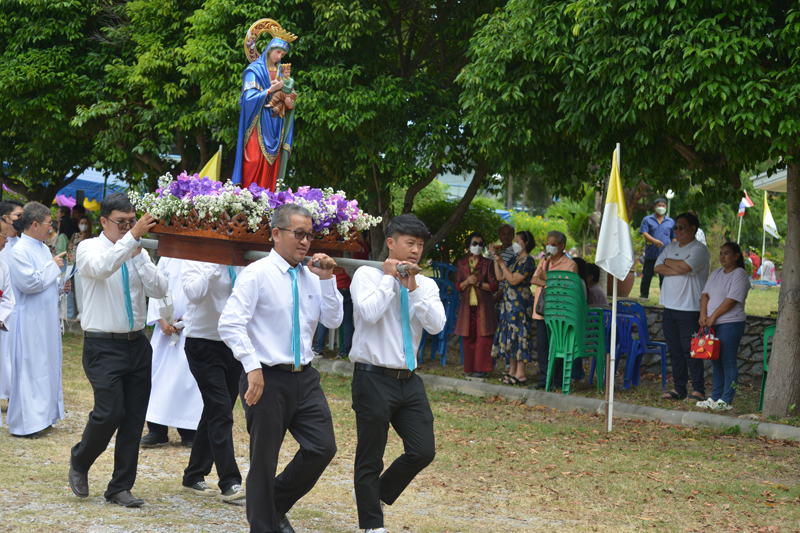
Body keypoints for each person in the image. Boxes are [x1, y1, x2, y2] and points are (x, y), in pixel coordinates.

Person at [218, 203, 342, 533]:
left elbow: (333, 320)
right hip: (266, 378)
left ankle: (273, 505)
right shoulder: (257, 274)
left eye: (309, 235)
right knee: (264, 459)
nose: (305, 241)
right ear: (276, 233)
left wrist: (328, 281)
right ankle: (263, 526)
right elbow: (230, 323)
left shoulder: (313, 277)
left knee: (323, 447)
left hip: (305, 377)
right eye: (298, 234)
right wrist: (252, 367)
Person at [69, 193, 167, 507]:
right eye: (121, 222)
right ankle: (80, 460)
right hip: (102, 345)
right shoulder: (88, 248)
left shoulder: (136, 250)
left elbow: (160, 289)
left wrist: (138, 255)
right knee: (109, 412)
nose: (127, 227)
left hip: (137, 344)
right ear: (103, 221)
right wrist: (131, 239)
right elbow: (101, 268)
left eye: (131, 222)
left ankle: (120, 487)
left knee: (134, 419)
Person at [349, 214, 446, 533]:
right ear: (391, 243)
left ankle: (374, 494)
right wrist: (390, 280)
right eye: (410, 243)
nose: (416, 250)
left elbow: (437, 326)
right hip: (372, 377)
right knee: (371, 455)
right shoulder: (367, 275)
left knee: (423, 450)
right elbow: (368, 313)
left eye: (420, 244)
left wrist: (413, 288)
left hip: (409, 381)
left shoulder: (426, 284)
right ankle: (372, 525)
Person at [181, 259, 246, 502]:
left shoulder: (244, 259)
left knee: (215, 411)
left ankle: (193, 474)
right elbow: (195, 294)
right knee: (220, 410)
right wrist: (215, 263)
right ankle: (230, 481)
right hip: (203, 343)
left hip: (234, 344)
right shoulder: (196, 257)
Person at [6, 202, 68, 438]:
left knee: (47, 365)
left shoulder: (42, 248)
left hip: (46, 318)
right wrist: (53, 268)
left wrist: (62, 285)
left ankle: (44, 416)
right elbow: (29, 283)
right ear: (34, 224)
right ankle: (27, 424)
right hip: (29, 320)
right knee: (30, 369)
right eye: (48, 224)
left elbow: (47, 280)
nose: (51, 228)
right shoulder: (19, 250)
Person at [141, 257, 201, 449]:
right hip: (165, 329)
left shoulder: (203, 256)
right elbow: (158, 288)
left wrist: (185, 320)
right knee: (159, 375)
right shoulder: (168, 257)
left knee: (188, 377)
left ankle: (189, 429)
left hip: (192, 327)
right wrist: (163, 320)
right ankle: (157, 429)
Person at [232, 27, 297, 190]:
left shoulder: (283, 75)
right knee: (253, 159)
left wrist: (289, 102)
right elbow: (248, 98)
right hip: (257, 121)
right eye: (278, 52)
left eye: (282, 54)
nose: (279, 56)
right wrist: (270, 90)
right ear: (269, 49)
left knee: (272, 164)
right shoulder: (254, 70)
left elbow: (289, 99)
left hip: (275, 123)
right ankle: (248, 197)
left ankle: (268, 200)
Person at [655, 212, 710, 402]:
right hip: (669, 307)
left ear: (693, 229)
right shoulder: (670, 247)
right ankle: (679, 388)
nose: (677, 230)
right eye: (675, 227)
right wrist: (678, 266)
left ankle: (698, 390)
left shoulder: (700, 249)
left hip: (690, 308)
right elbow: (657, 267)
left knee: (691, 351)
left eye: (682, 227)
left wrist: (670, 262)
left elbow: (686, 268)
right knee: (675, 350)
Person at [697, 243, 751, 411]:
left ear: (736, 256)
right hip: (712, 325)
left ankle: (726, 400)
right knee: (715, 361)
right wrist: (703, 315)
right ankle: (715, 398)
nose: (722, 256)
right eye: (721, 253)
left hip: (731, 323)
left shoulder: (740, 274)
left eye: (726, 253)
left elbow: (732, 300)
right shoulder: (716, 273)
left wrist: (713, 316)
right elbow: (705, 295)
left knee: (728, 361)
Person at [531, 231, 579, 390]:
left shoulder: (570, 265)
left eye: (552, 244)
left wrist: (546, 278)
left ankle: (557, 381)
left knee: (558, 347)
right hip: (542, 311)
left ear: (561, 246)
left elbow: (567, 286)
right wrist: (551, 281)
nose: (548, 247)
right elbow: (533, 279)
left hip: (559, 312)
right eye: (547, 243)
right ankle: (544, 379)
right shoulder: (544, 261)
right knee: (542, 346)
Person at [490, 230, 536, 386]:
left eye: (517, 241)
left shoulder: (528, 261)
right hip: (509, 305)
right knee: (510, 335)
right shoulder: (516, 260)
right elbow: (500, 277)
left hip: (520, 305)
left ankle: (521, 374)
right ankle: (512, 372)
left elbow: (513, 280)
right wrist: (497, 260)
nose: (514, 244)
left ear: (525, 243)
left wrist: (502, 263)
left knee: (520, 335)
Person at [455, 232, 498, 378]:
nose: (477, 246)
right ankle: (470, 368)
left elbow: (494, 286)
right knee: (468, 337)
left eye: (480, 244)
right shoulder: (461, 263)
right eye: (474, 243)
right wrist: (467, 282)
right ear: (469, 246)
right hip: (467, 306)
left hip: (484, 306)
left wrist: (479, 284)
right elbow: (458, 285)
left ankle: (481, 369)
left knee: (484, 337)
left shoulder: (488, 263)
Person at [0, 199, 24, 402]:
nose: (22, 220)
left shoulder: (23, 244)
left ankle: (12, 396)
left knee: (14, 357)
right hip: (6, 313)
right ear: (5, 218)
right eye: (18, 216)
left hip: (15, 310)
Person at [639, 198, 676, 299]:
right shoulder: (647, 220)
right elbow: (644, 233)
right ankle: (643, 296)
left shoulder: (671, 222)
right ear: (654, 207)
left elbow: (673, 237)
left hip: (665, 255)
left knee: (664, 278)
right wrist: (654, 241)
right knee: (647, 276)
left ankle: (665, 298)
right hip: (651, 253)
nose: (661, 207)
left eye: (663, 206)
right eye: (659, 205)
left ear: (666, 207)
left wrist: (675, 251)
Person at [0, 229, 16, 428]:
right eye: (3, 236)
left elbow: (8, 298)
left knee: (4, 362)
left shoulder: (3, 266)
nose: (6, 240)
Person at [68, 215, 94, 321]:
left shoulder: (92, 236)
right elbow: (71, 252)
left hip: (88, 266)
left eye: (85, 223)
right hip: (76, 267)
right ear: (78, 224)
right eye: (81, 223)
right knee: (78, 289)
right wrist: (71, 247)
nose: (83, 225)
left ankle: (89, 313)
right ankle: (80, 312)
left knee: (88, 290)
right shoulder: (75, 236)